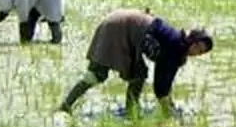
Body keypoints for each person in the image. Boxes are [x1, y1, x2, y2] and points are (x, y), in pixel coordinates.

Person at [57, 9, 214, 116]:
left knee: (138, 74)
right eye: (197, 47)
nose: (196, 52)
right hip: (118, 29)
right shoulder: (174, 46)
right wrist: (169, 113)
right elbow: (161, 87)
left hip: (121, 24)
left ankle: (130, 111)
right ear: (191, 40)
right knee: (97, 75)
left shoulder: (177, 44)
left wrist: (170, 104)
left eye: (200, 52)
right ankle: (65, 107)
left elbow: (167, 81)